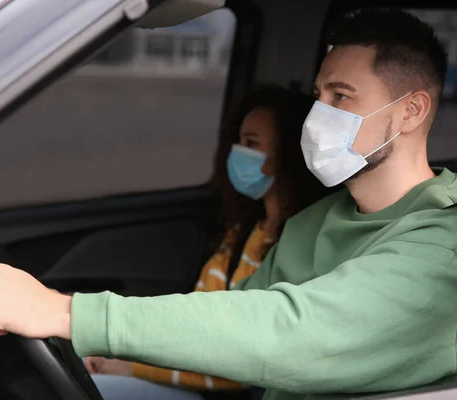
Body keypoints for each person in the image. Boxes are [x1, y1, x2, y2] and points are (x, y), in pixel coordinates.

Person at [0, 8, 457, 400]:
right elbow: (234, 316)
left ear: (412, 110)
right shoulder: (325, 218)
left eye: (342, 97)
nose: (319, 115)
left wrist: (66, 312)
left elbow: (285, 331)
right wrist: (114, 356)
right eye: (319, 95)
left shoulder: (450, 251)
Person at [81, 84, 330, 400]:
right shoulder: (245, 230)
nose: (238, 152)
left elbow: (239, 363)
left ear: (288, 155)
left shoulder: (295, 248)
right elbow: (198, 326)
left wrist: (131, 367)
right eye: (239, 142)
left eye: (252, 143)